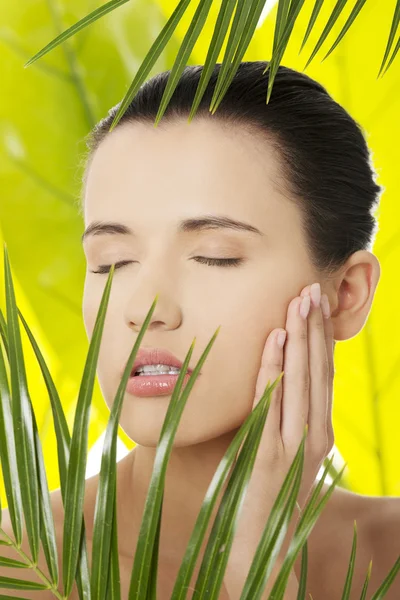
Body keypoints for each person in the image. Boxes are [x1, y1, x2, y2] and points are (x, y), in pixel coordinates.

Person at [1, 61, 398, 599]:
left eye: (214, 257)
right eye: (111, 262)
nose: (147, 309)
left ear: (347, 294)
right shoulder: (20, 565)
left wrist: (262, 564)